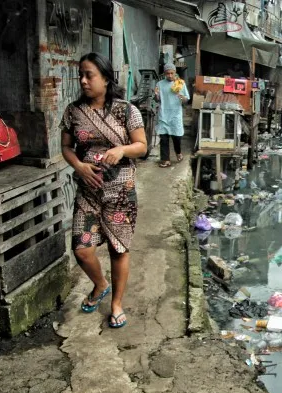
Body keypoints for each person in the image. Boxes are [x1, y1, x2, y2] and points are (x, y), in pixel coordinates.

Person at [60, 53, 147, 329]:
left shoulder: (126, 110)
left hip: (121, 191)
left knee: (118, 249)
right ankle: (100, 285)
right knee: (82, 250)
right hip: (88, 190)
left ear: (106, 79)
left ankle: (117, 304)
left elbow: (141, 146)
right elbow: (66, 147)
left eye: (90, 75)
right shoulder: (73, 111)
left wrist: (122, 149)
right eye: (81, 75)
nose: (83, 81)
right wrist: (79, 166)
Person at [154, 63, 188, 167]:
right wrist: (156, 95)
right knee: (164, 138)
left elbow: (186, 99)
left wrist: (183, 98)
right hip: (164, 114)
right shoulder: (159, 84)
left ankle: (178, 152)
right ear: (164, 73)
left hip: (175, 115)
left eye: (171, 73)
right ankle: (165, 160)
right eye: (167, 73)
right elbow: (157, 99)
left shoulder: (180, 83)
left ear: (175, 72)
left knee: (176, 137)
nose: (169, 75)